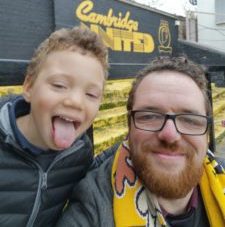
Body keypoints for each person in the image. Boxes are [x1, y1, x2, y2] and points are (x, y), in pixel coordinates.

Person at [57, 56, 225, 227]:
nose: (170, 134)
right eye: (150, 116)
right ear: (129, 128)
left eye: (189, 119)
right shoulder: (90, 209)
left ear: (206, 132)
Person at [0, 26, 108, 227]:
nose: (75, 101)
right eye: (59, 85)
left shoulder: (80, 154)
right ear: (29, 87)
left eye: (91, 95)